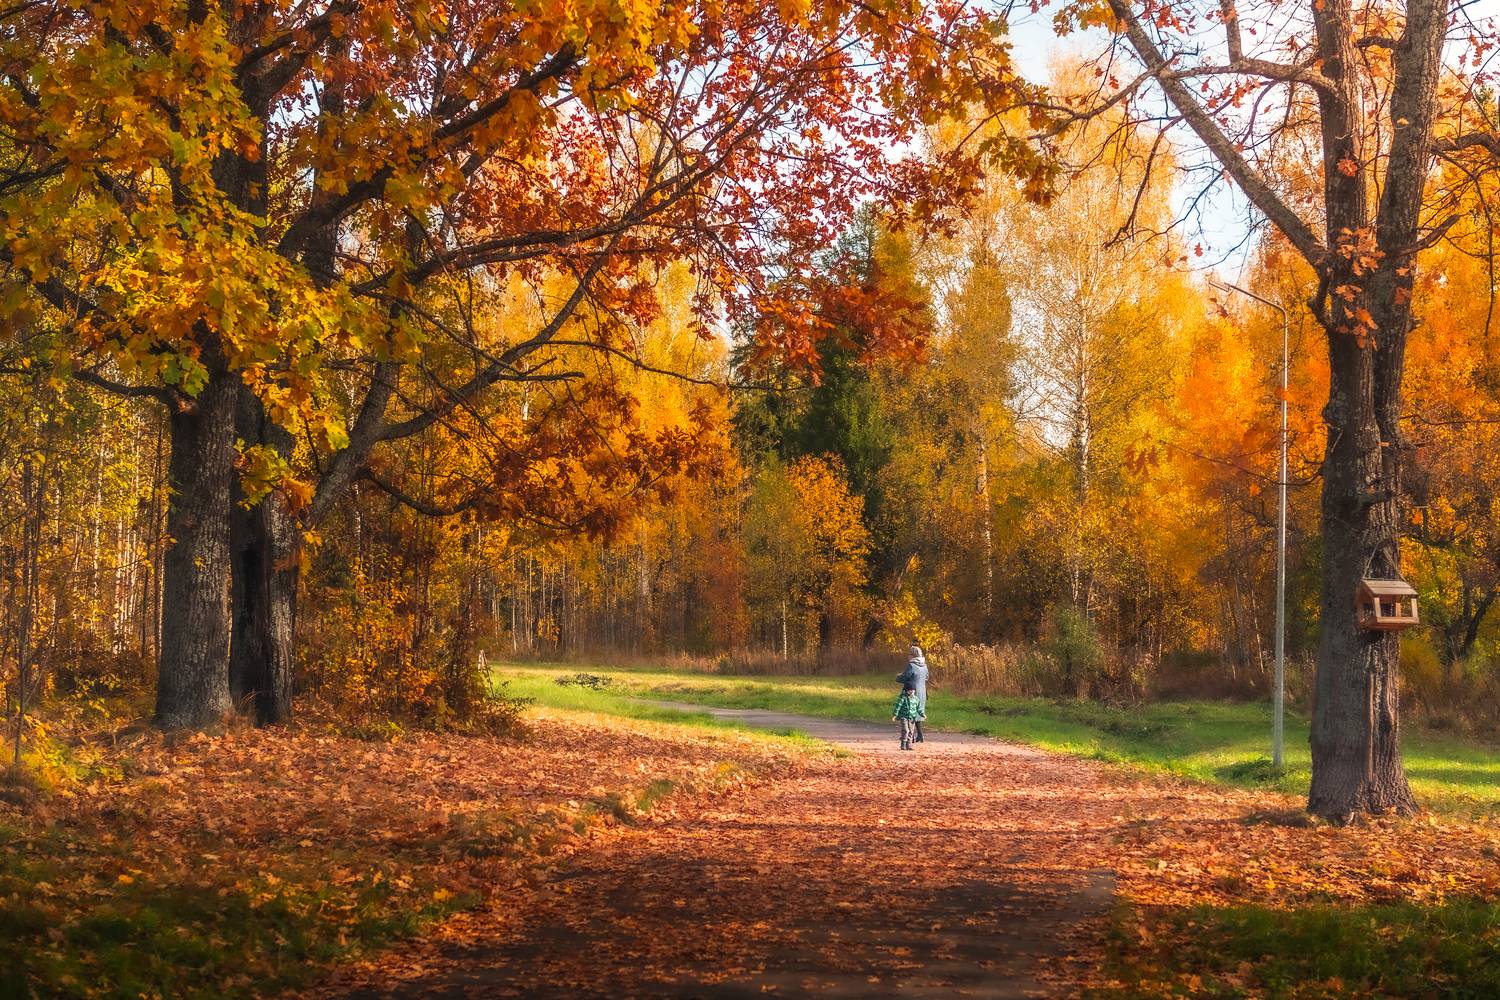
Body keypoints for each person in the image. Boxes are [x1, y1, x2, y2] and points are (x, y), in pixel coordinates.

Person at [896, 645, 929, 743]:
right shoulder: (925, 665)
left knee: (909, 714)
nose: (907, 656)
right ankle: (920, 735)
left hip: (912, 691)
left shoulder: (911, 665)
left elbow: (905, 677)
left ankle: (911, 737)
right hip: (922, 691)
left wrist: (898, 677)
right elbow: (926, 678)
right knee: (917, 712)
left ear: (913, 655)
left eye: (909, 654)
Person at [892, 684, 922, 751]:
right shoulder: (903, 698)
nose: (911, 691)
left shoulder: (916, 699)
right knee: (905, 730)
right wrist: (895, 715)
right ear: (906, 691)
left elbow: (919, 708)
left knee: (911, 731)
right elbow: (898, 707)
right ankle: (903, 744)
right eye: (909, 690)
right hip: (904, 717)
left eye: (913, 690)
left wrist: (922, 714)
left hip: (912, 718)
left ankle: (909, 745)